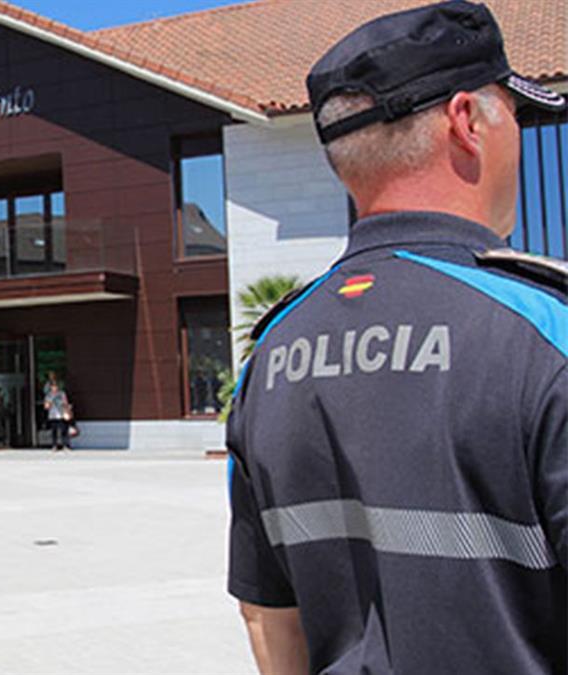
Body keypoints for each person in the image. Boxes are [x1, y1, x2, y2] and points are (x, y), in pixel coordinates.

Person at [225, 3, 567, 674]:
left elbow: (267, 615)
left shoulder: (267, 357)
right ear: (468, 122)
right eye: (516, 117)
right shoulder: (546, 331)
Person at [42, 379, 72, 451]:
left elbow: (65, 402)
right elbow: (46, 406)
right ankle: (54, 445)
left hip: (61, 414)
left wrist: (65, 406)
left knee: (63, 430)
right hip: (53, 415)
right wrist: (49, 403)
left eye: (56, 386)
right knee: (54, 431)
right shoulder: (49, 395)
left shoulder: (61, 394)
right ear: (51, 387)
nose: (54, 387)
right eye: (53, 386)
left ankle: (65, 445)